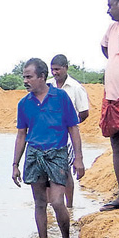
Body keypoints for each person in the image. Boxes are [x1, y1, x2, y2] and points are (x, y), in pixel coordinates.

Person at [12, 59, 84, 238]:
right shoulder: (24, 103)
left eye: (29, 77)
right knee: (40, 203)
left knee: (58, 202)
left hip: (57, 154)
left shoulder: (61, 97)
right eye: (24, 77)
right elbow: (21, 135)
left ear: (42, 77)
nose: (25, 81)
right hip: (34, 155)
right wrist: (15, 165)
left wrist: (78, 159)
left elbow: (73, 128)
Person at [48, 54, 90, 208]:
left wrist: (71, 124)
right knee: (47, 171)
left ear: (66, 68)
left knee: (65, 171)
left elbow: (84, 112)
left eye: (57, 69)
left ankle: (69, 206)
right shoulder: (48, 86)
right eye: (52, 69)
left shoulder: (76, 88)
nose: (55, 72)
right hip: (49, 134)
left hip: (67, 135)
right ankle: (50, 206)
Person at [100, 0, 119, 211]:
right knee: (117, 144)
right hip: (112, 96)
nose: (107, 10)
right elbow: (104, 48)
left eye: (110, 5)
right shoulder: (112, 29)